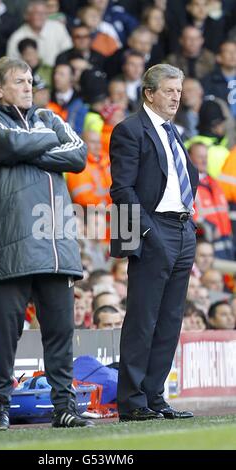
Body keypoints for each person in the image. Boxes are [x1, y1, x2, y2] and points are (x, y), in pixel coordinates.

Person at [0, 56, 93, 431]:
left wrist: (28, 150)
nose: (28, 86)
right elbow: (8, 142)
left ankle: (64, 407)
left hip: (57, 246)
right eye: (19, 81)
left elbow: (79, 155)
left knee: (61, 335)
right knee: (7, 336)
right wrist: (43, 148)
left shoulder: (49, 117)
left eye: (30, 80)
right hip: (12, 246)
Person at [110, 63, 199, 421]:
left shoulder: (172, 131)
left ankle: (154, 396)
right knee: (143, 319)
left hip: (182, 229)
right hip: (153, 228)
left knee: (170, 320)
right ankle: (132, 401)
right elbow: (121, 189)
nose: (176, 96)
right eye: (168, 90)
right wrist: (145, 233)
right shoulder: (130, 130)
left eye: (178, 91)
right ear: (149, 93)